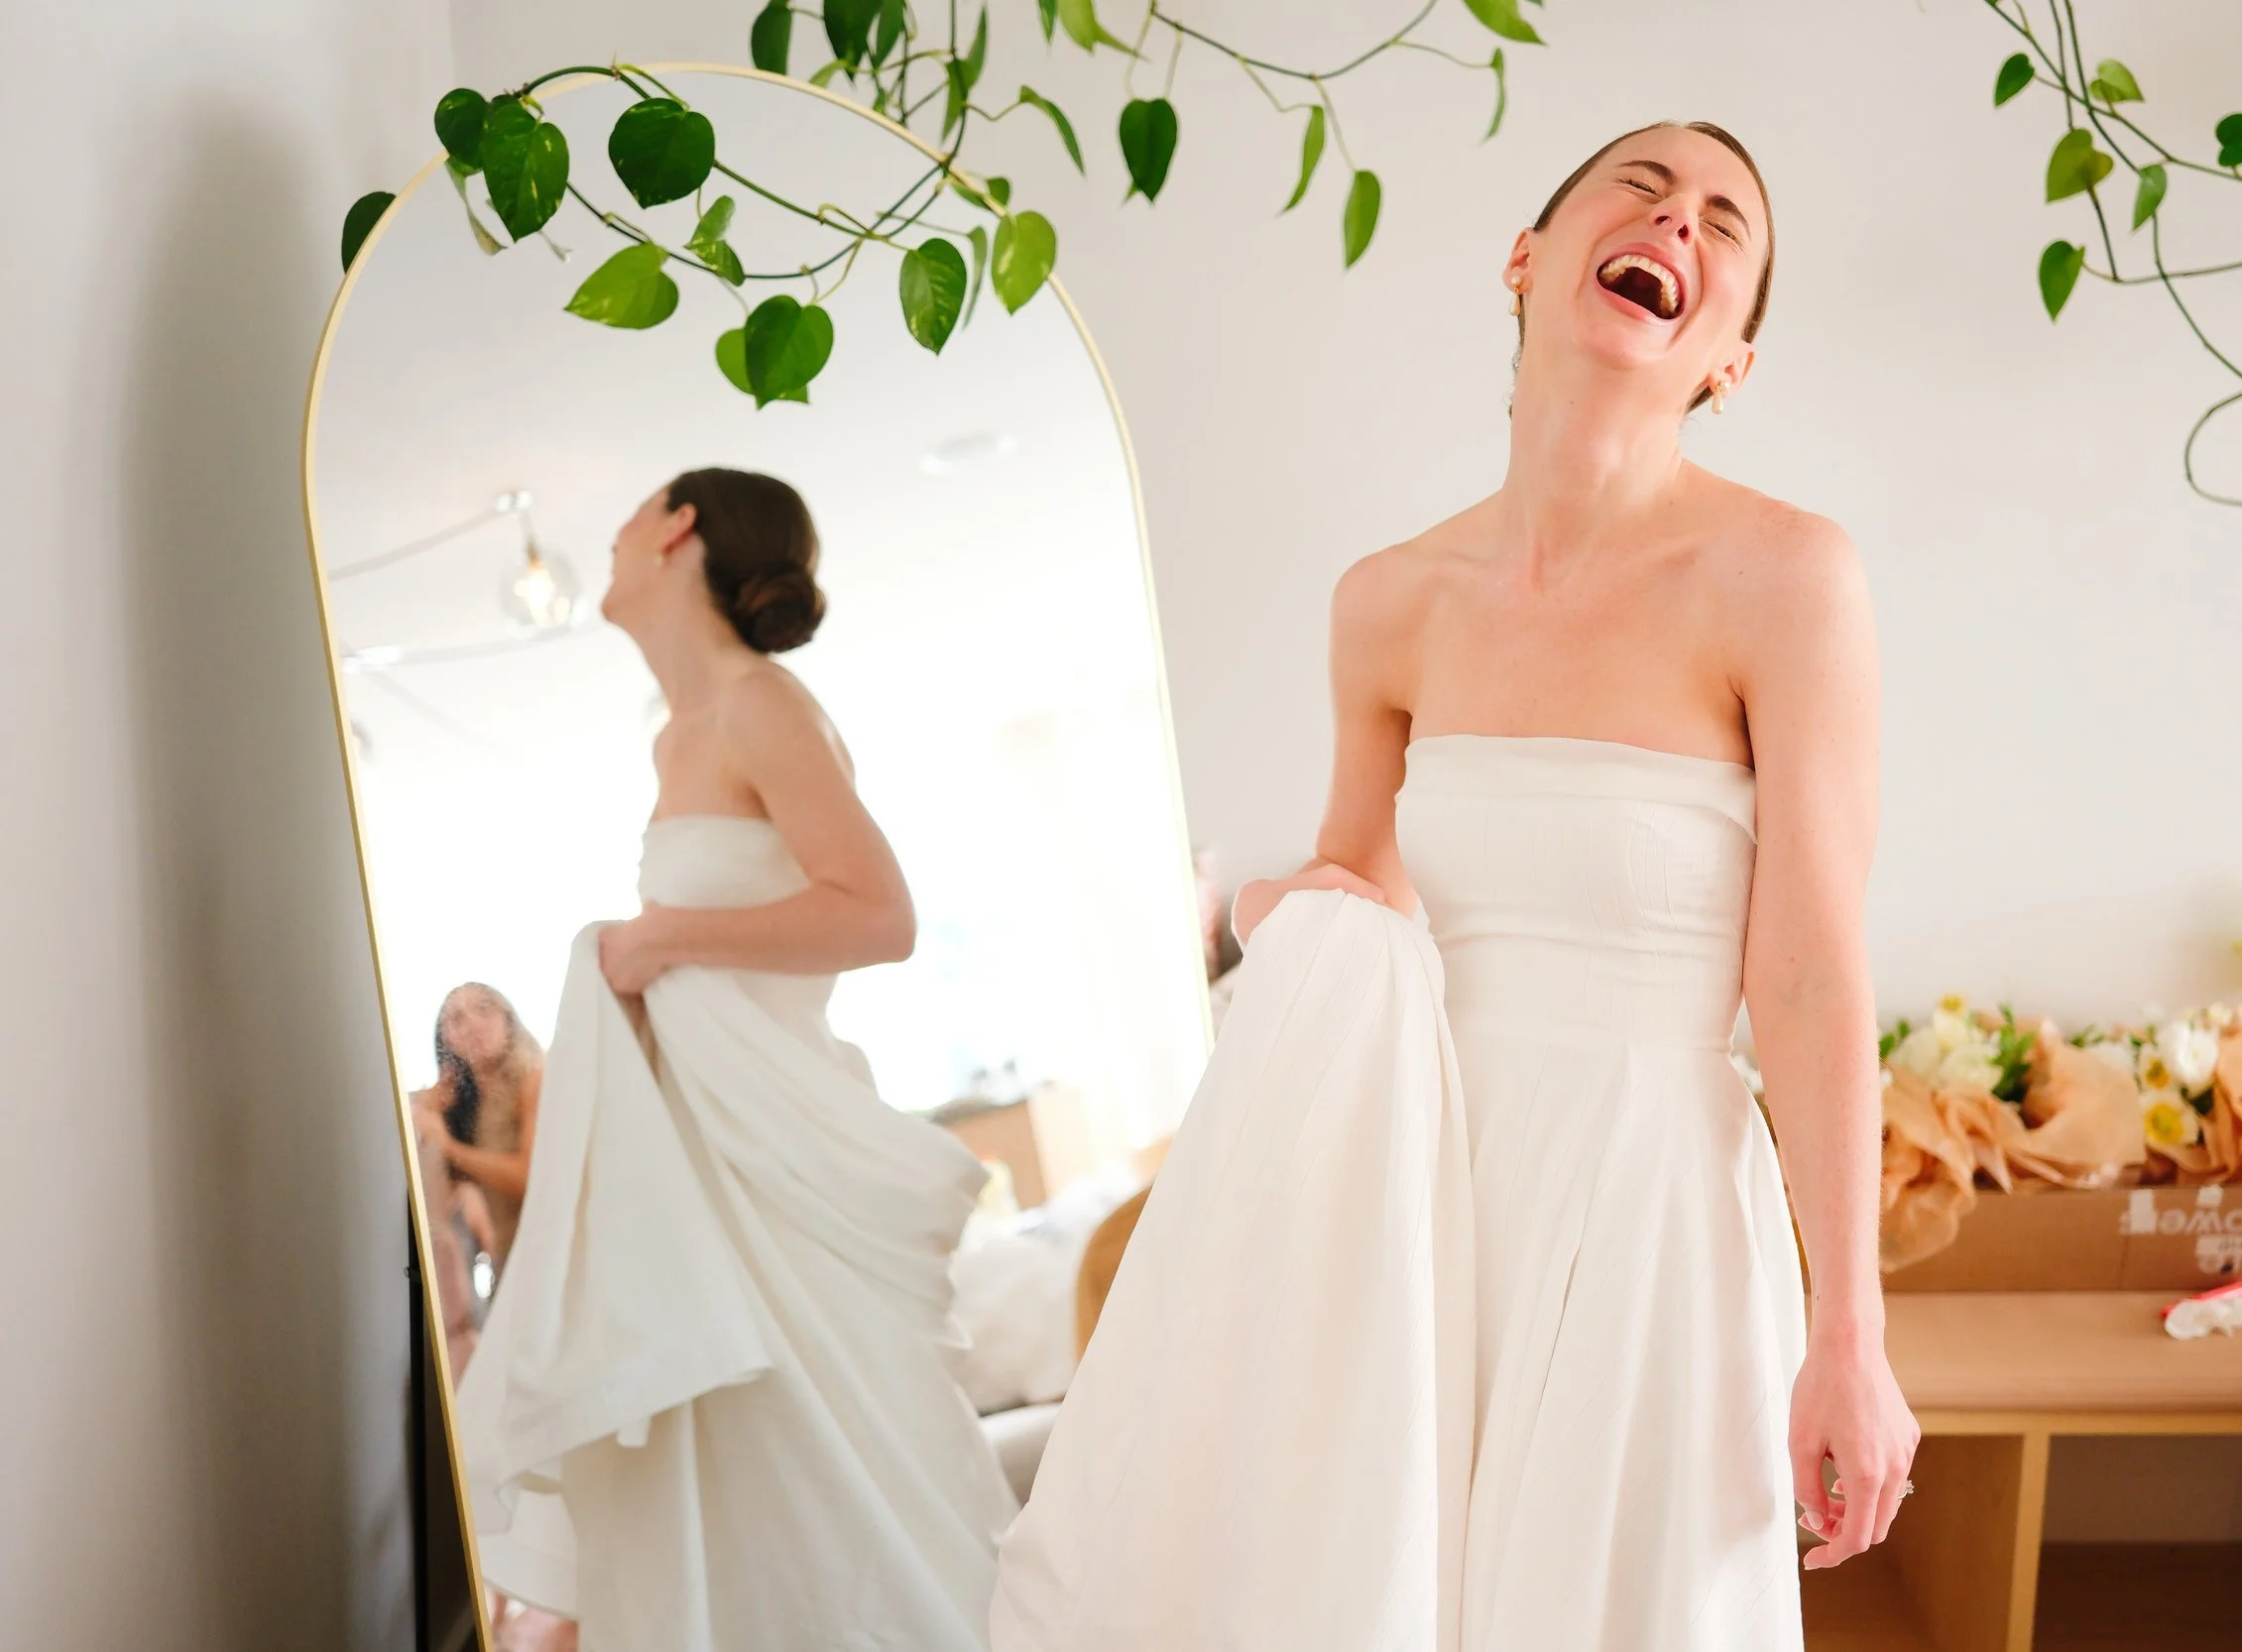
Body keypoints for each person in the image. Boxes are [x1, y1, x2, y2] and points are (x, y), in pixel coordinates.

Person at [992, 122, 1917, 1650]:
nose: (1676, 222)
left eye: (1724, 224)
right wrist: (1236, 910)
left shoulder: (1789, 578)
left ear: (1729, 359)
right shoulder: (1388, 603)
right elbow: (1360, 888)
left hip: (1651, 1203)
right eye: (1642, 187)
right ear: (1527, 259)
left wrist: (1850, 1333)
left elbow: (1813, 971)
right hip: (1422, 1198)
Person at [454, 467, 1016, 1652]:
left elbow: (878, 914)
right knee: (733, 1491)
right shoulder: (679, 738)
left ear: (678, 527)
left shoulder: (765, 706)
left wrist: (662, 938)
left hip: (778, 1162)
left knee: (834, 1480)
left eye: (626, 518)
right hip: (703, 1156)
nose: (607, 542)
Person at [411, 983, 543, 1272]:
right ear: (444, 1041)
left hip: (546, 1257)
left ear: (508, 1017)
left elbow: (530, 1176)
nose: (472, 1023)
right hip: (507, 1267)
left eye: (484, 1007)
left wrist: (451, 1148)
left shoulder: (535, 1079)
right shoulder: (461, 1107)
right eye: (456, 1019)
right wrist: (421, 1105)